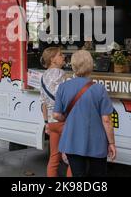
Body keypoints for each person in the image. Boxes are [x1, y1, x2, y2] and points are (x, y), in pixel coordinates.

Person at [53, 50, 116, 177]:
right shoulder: (99, 89)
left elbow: (56, 115)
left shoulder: (63, 87)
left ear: (73, 66)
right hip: (97, 143)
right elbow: (106, 120)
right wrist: (112, 143)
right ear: (91, 65)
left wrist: (66, 117)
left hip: (72, 141)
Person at [40, 47, 72, 177]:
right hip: (63, 121)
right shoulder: (60, 74)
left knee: (54, 158)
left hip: (52, 123)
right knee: (72, 158)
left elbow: (43, 103)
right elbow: (65, 98)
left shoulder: (43, 76)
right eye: (60, 55)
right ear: (52, 59)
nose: (63, 56)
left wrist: (46, 122)